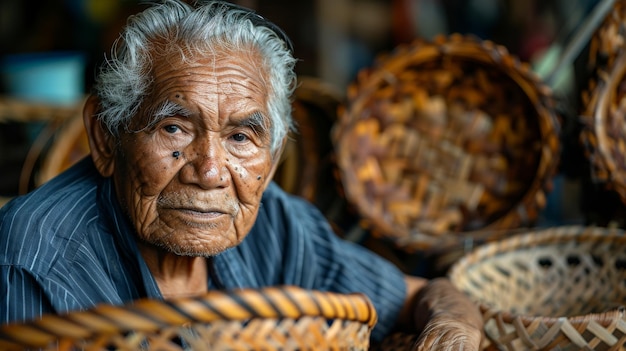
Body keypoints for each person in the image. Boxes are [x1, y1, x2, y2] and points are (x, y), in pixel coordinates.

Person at [0, 0, 482, 348]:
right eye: (174, 128)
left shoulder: (279, 226)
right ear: (106, 139)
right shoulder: (32, 264)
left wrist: (453, 331)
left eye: (240, 138)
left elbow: (428, 295)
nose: (210, 172)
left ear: (270, 163)